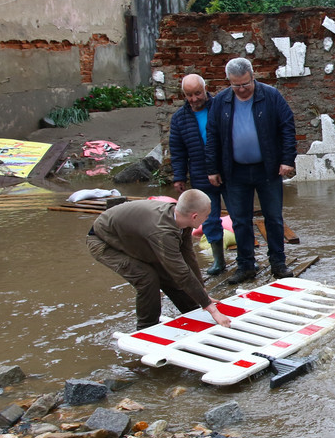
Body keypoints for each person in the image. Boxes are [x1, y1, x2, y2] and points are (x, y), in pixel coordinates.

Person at [86, 190, 232, 330]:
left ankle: (192, 311)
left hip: (134, 238)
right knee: (147, 278)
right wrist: (212, 309)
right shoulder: (163, 232)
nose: (207, 219)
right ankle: (146, 329)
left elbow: (188, 255)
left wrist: (202, 292)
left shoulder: (182, 219)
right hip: (104, 241)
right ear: (194, 216)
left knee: (169, 274)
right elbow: (180, 271)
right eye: (206, 216)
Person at [206, 58, 297, 284]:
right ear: (229, 82)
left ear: (252, 76)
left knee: (274, 218)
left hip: (267, 168)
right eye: (236, 85)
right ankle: (246, 265)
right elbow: (212, 136)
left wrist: (287, 160)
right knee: (240, 220)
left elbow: (287, 126)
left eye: (246, 84)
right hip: (234, 171)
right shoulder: (221, 102)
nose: (242, 89)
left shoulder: (271, 96)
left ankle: (278, 262)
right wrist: (213, 168)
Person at [169, 74, 227, 276]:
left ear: (205, 89)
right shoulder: (179, 118)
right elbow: (177, 151)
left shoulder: (220, 108)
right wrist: (179, 177)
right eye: (189, 95)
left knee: (240, 215)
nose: (194, 99)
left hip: (228, 170)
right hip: (200, 174)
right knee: (210, 219)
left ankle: (246, 260)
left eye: (197, 93)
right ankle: (219, 261)